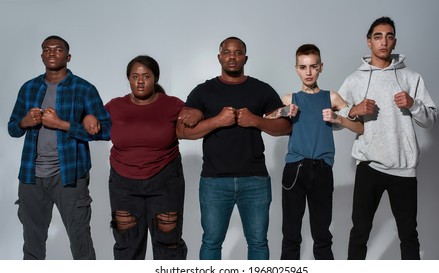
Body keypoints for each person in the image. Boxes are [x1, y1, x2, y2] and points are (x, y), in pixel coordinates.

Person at [176, 36, 292, 260]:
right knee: (211, 242)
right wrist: (217, 121)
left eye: (238, 53)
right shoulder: (203, 91)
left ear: (245, 58)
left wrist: (256, 120)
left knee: (258, 242)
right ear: (219, 57)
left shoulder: (262, 89)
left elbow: (285, 127)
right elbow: (182, 132)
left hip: (255, 180)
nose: (232, 57)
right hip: (214, 181)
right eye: (227, 52)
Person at [338, 16, 438, 259]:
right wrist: (353, 110)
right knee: (359, 232)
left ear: (394, 42)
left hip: (403, 168)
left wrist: (413, 105)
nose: (384, 41)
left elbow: (430, 120)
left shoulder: (411, 78)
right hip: (368, 165)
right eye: (378, 36)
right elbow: (333, 119)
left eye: (389, 36)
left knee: (408, 234)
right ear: (369, 42)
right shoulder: (355, 80)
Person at [7, 35, 111, 260]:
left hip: (70, 175)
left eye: (58, 49)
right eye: (46, 49)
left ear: (68, 56)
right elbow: (12, 128)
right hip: (31, 176)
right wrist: (24, 122)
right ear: (42, 55)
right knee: (32, 244)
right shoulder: (29, 88)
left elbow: (107, 130)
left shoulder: (83, 89)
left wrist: (62, 124)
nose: (51, 53)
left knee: (80, 241)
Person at [98, 55, 202, 260]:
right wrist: (89, 117)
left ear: (155, 78)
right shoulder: (114, 106)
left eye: (146, 76)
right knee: (127, 245)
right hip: (123, 184)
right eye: (135, 76)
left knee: (168, 243)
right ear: (128, 78)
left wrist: (197, 112)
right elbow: (91, 123)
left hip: (165, 181)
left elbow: (194, 120)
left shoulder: (172, 105)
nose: (140, 81)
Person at [265, 44, 363, 260]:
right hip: (295, 170)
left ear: (321, 67)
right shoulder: (290, 99)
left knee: (322, 235)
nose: (308, 72)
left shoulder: (332, 97)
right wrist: (284, 111)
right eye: (303, 67)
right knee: (290, 234)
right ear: (296, 69)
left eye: (313, 66)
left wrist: (337, 118)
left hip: (322, 170)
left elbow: (359, 126)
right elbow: (264, 118)